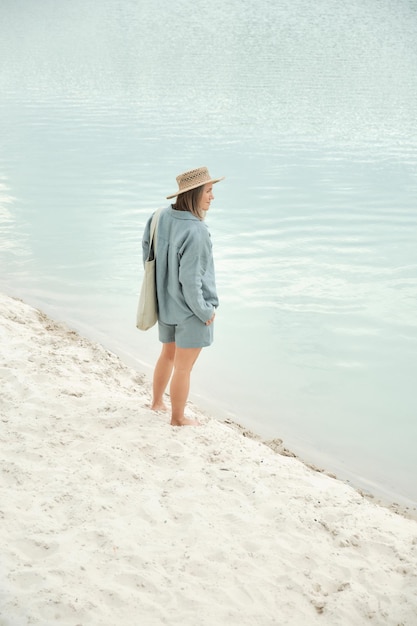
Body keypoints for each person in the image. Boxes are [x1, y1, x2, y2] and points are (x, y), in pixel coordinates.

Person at [142, 166, 224, 426]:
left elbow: (147, 254)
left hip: (165, 304)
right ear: (195, 193)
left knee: (167, 355)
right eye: (209, 191)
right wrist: (205, 312)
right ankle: (177, 418)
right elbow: (191, 281)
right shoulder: (197, 231)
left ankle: (156, 403)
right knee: (184, 368)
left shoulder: (159, 217)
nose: (212, 197)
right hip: (190, 312)